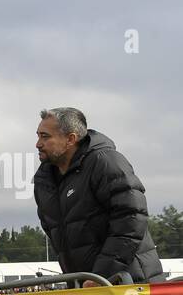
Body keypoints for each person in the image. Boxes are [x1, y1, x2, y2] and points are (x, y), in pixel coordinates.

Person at [33, 108, 166, 284]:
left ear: (70, 139)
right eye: (38, 136)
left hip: (131, 285)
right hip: (88, 288)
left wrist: (102, 275)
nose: (38, 143)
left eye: (45, 136)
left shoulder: (105, 162)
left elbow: (131, 220)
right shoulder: (44, 180)